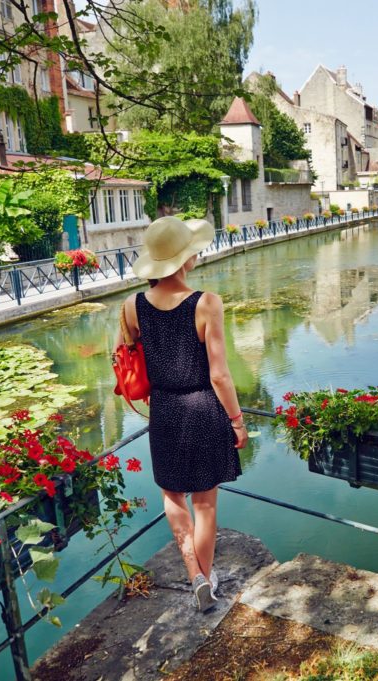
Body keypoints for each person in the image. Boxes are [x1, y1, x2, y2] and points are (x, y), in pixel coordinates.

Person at [118, 216, 247, 612]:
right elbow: (220, 374)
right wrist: (237, 421)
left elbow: (126, 357)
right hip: (203, 406)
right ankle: (206, 580)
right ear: (184, 258)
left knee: (172, 495)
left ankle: (193, 575)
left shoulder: (131, 305)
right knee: (205, 504)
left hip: (164, 412)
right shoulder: (206, 302)